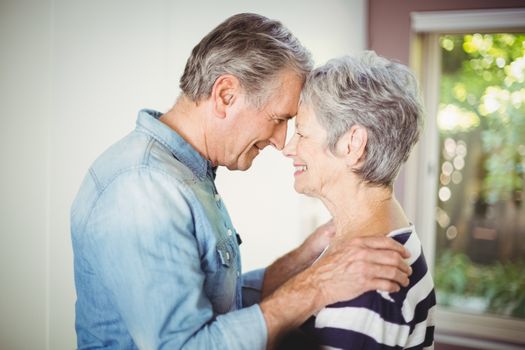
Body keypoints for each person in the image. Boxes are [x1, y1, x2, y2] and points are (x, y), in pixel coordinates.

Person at [71, 14, 413, 350]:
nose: (281, 142)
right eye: (279, 119)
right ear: (226, 95)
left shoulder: (182, 175)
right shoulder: (143, 188)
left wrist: (303, 258)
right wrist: (315, 286)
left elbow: (220, 303)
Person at [282, 51, 436, 349]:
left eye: (301, 133)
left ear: (353, 144)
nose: (288, 148)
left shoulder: (366, 283)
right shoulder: (381, 243)